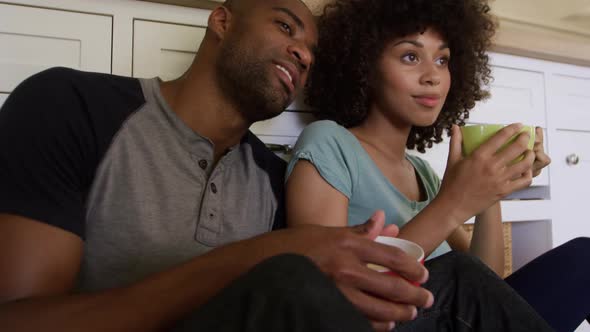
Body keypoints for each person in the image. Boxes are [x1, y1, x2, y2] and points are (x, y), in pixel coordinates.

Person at [0, 0, 554, 331]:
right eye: (286, 26)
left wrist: (483, 194)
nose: (303, 52)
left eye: (312, 48)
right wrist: (269, 254)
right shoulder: (71, 105)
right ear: (222, 20)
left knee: (459, 276)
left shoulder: (267, 177)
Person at [285, 0, 589, 331]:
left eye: (442, 60)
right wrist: (454, 204)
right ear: (363, 66)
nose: (433, 76)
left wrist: (490, 193)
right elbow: (324, 295)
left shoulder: (422, 173)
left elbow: (486, 286)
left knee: (585, 259)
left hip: (456, 316)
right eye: (410, 56)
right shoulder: (330, 142)